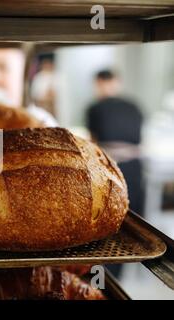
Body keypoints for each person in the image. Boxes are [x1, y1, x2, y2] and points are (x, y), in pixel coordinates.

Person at [87, 70, 144, 277]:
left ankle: (101, 281)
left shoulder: (95, 107)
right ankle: (116, 279)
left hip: (109, 170)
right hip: (135, 169)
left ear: (99, 83)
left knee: (105, 231)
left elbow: (93, 143)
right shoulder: (134, 105)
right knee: (129, 228)